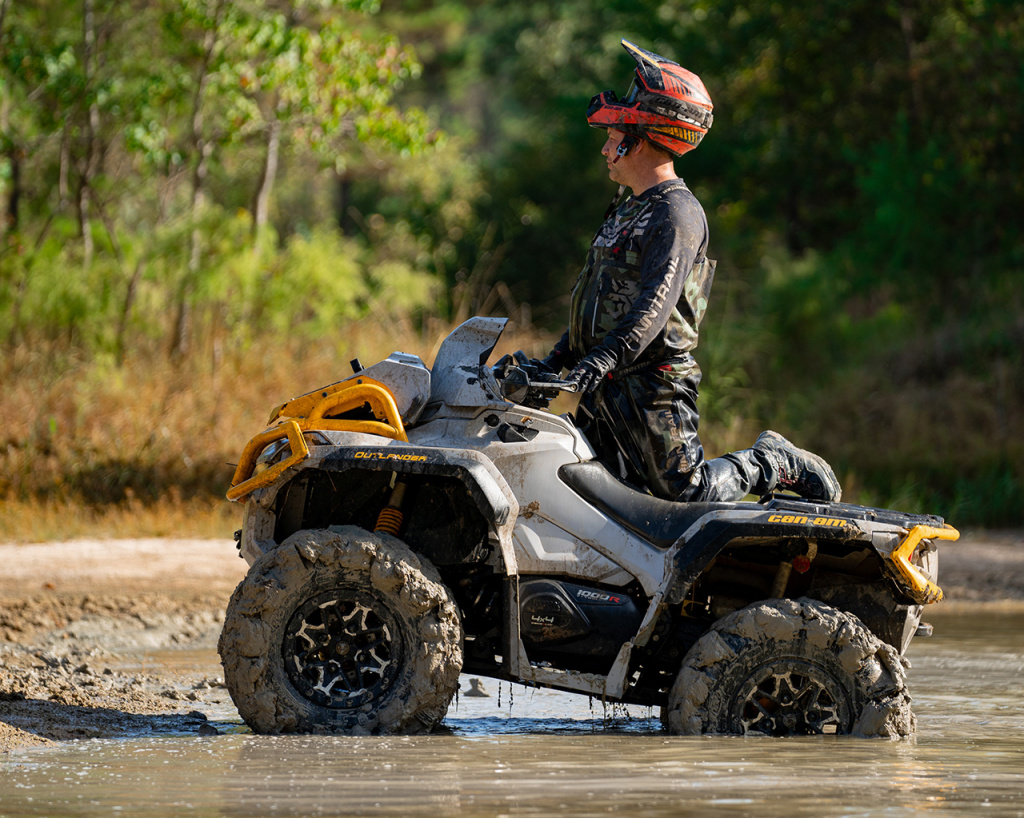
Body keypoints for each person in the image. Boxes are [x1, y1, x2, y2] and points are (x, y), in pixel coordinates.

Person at [524, 39, 841, 503]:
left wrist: (604, 358)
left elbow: (657, 302)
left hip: (653, 383)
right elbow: (596, 299)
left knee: (686, 490)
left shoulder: (677, 213)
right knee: (592, 488)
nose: (605, 150)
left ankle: (772, 461)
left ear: (638, 141)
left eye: (613, 140)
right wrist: (559, 359)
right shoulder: (625, 210)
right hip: (607, 382)